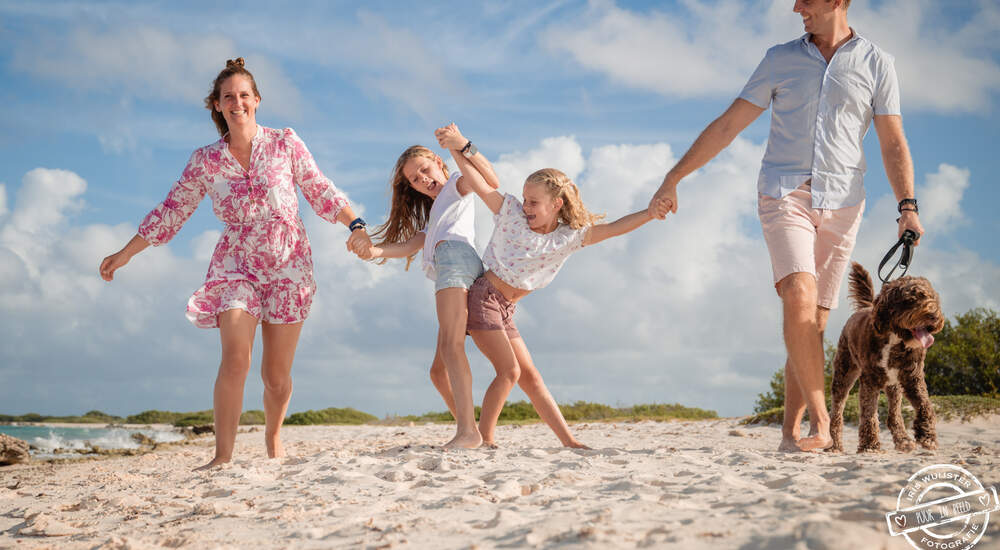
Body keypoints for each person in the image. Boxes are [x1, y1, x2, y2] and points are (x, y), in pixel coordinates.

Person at [648, 0, 924, 452]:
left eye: (807, 0)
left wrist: (908, 206)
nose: (798, 9)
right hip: (784, 191)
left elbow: (892, 142)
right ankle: (823, 423)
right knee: (797, 294)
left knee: (814, 323)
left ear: (837, 0)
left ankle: (790, 436)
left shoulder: (877, 63)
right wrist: (674, 176)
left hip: (845, 201)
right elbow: (729, 124)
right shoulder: (779, 59)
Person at [99, 58, 372, 469]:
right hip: (236, 263)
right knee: (235, 359)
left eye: (244, 95)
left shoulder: (284, 142)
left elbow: (319, 188)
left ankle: (273, 434)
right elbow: (173, 209)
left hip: (288, 264)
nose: (237, 102)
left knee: (275, 378)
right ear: (217, 104)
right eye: (228, 97)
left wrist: (356, 224)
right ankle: (222, 456)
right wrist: (125, 253)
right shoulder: (205, 160)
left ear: (257, 100)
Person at [444, 127, 658, 448]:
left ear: (557, 204)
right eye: (525, 199)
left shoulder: (568, 237)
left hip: (505, 308)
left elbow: (614, 228)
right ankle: (484, 439)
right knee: (509, 372)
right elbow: (477, 182)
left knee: (531, 377)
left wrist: (651, 213)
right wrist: (455, 148)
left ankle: (569, 441)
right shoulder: (511, 214)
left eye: (534, 202)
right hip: (484, 298)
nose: (526, 206)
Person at [357, 128, 500, 449]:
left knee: (452, 347)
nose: (422, 179)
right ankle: (470, 428)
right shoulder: (437, 214)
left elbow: (489, 180)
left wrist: (462, 146)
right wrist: (375, 251)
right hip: (452, 265)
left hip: (456, 261)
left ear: (438, 161)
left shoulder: (456, 184)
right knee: (438, 371)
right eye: (414, 179)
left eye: (424, 169)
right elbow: (410, 245)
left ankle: (467, 431)